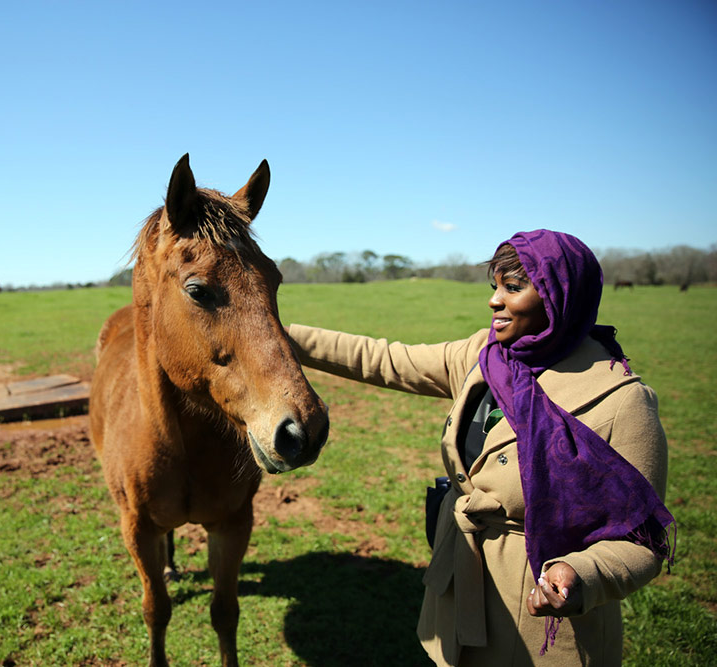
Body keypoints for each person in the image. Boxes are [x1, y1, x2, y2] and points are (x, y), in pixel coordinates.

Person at [288, 230, 675, 666]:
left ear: (558, 295)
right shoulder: (486, 355)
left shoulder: (621, 400)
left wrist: (582, 574)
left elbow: (642, 540)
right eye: (495, 286)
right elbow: (383, 358)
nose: (495, 300)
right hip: (461, 595)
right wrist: (267, 332)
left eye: (514, 287)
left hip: (545, 629)